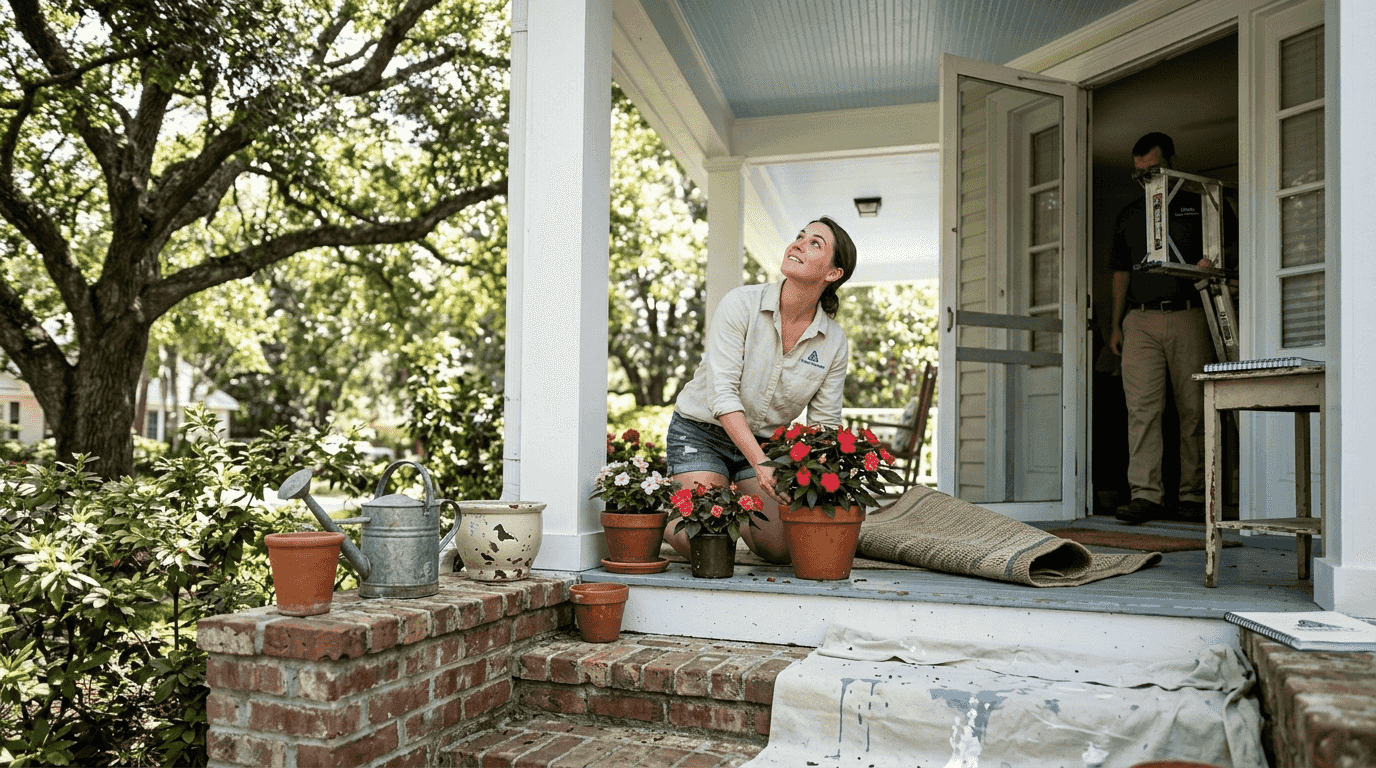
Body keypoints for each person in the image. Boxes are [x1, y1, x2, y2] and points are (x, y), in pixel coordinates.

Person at [662, 217, 856, 563]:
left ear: (833, 274)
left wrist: (821, 478)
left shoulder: (834, 341)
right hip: (702, 433)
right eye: (800, 236)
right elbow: (721, 396)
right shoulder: (741, 304)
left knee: (781, 548)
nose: (798, 243)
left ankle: (729, 499)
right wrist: (762, 463)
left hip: (764, 445)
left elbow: (824, 422)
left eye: (815, 243)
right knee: (708, 542)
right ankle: (660, 508)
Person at [1108, 132, 1232, 525]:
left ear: (1171, 162)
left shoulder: (1202, 201)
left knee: (1195, 408)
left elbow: (1232, 249)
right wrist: (1116, 324)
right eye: (1139, 173)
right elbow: (1120, 272)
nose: (1147, 179)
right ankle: (1146, 495)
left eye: (1153, 170)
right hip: (1139, 320)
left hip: (1189, 313)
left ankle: (1195, 496)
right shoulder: (1129, 214)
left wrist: (1213, 263)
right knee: (1141, 410)